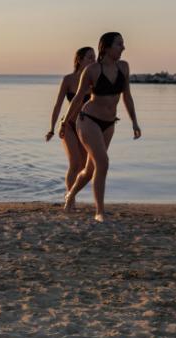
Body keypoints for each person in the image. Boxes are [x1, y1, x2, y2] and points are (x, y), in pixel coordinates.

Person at [63, 32, 141, 221]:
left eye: (123, 44)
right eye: (119, 44)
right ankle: (100, 212)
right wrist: (65, 122)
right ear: (106, 48)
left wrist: (134, 122)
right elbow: (78, 98)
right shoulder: (92, 70)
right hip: (88, 120)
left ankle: (70, 194)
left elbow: (127, 96)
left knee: (90, 171)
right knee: (103, 162)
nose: (123, 47)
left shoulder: (124, 67)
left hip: (109, 123)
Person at [46, 47, 96, 196]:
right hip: (68, 125)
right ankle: (71, 199)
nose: (93, 60)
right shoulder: (68, 79)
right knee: (75, 164)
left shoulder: (94, 81)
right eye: (89, 57)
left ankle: (71, 194)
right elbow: (58, 105)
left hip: (85, 127)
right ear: (79, 60)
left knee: (85, 167)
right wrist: (52, 128)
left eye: (94, 58)